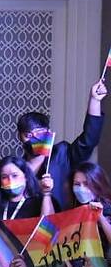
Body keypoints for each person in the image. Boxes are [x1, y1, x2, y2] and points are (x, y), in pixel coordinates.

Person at [16, 79, 105, 208]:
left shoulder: (62, 154)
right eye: (28, 135)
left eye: (40, 134)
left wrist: (95, 101)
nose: (34, 139)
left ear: (48, 133)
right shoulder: (16, 167)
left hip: (63, 218)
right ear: (20, 136)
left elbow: (89, 140)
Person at [0, 155, 57, 220]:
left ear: (26, 177)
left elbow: (48, 224)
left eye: (15, 175)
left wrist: (46, 193)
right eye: (4, 177)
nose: (10, 181)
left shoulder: (39, 201)